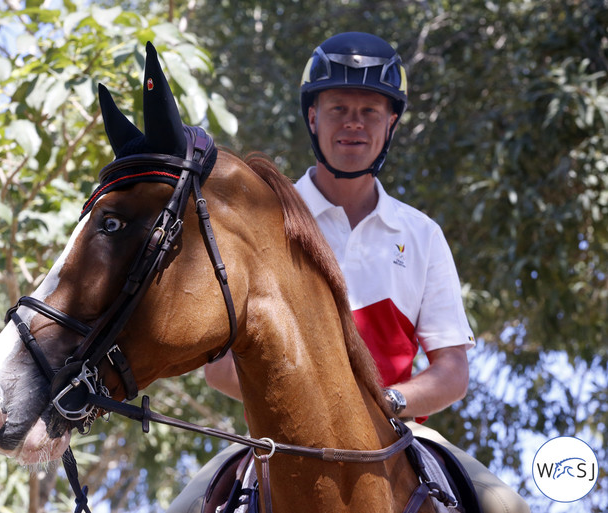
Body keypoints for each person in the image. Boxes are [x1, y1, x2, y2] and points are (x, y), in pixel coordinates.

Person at [169, 32, 529, 513]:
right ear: (313, 117)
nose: (353, 125)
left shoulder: (421, 235)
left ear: (392, 123)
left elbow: (451, 372)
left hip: (403, 431)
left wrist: (387, 403)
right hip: (276, 438)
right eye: (339, 109)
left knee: (508, 506)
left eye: (369, 112)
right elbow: (220, 368)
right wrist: (303, 407)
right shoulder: (262, 224)